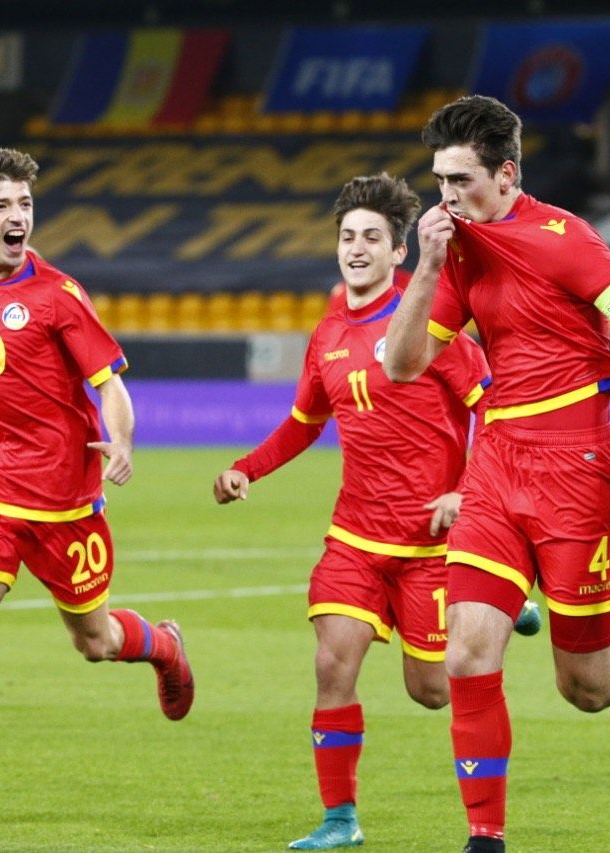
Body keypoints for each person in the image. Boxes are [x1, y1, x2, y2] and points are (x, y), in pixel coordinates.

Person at [382, 95, 610, 853]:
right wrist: (423, 266)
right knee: (467, 652)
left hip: (576, 474)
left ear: (507, 173)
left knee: (588, 687)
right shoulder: (458, 252)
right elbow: (403, 363)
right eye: (439, 182)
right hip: (496, 470)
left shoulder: (565, 240)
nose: (447, 198)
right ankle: (486, 839)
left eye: (462, 181)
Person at [213, 173, 538, 851]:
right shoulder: (328, 333)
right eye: (347, 236)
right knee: (333, 664)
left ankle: (504, 601)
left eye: (372, 238)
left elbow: (497, 412)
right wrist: (246, 468)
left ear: (399, 253)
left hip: (432, 545)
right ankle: (340, 819)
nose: (356, 248)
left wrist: (470, 491)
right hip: (355, 539)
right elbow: (303, 423)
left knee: (432, 689)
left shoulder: (433, 327)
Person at [0, 147, 194, 849]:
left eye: (25, 204)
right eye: (3, 205)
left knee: (95, 641)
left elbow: (110, 383)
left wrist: (121, 440)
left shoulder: (59, 294)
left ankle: (164, 645)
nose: (19, 215)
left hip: (61, 505)